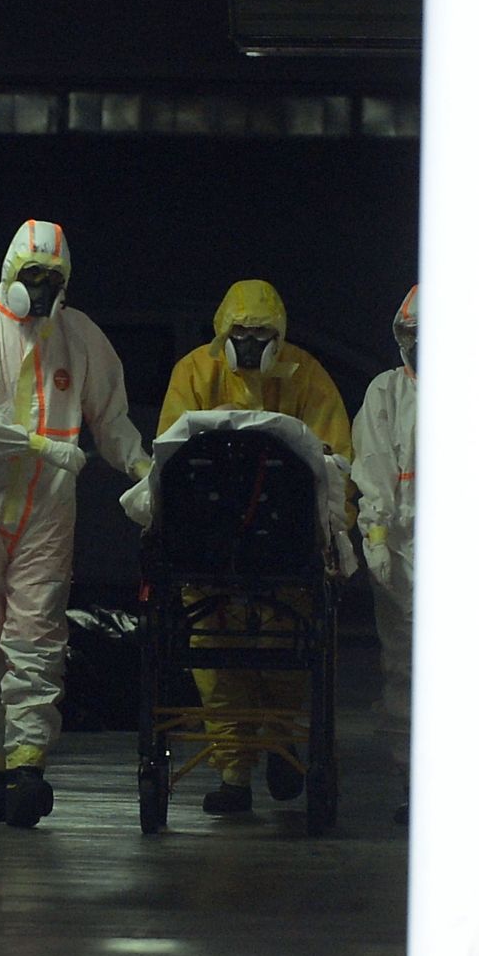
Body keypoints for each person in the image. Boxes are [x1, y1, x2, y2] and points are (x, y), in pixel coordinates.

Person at [0, 220, 151, 829]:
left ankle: (28, 767)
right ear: (10, 274)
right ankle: (1, 768)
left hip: (46, 511)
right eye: (34, 277)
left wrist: (140, 466)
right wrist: (36, 444)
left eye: (54, 279)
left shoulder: (77, 336)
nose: (44, 289)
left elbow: (110, 415)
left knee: (35, 636)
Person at [156, 278, 353, 815]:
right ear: (222, 331)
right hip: (208, 549)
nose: (248, 342)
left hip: (285, 551)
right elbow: (168, 460)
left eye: (260, 333)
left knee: (283, 656)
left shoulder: (306, 376)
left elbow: (337, 465)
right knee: (216, 665)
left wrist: (335, 534)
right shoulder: (194, 373)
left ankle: (281, 742)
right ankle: (233, 774)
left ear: (279, 335)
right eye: (239, 332)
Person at [351, 286, 418, 820]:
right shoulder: (387, 393)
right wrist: (375, 536)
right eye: (412, 336)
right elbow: (373, 467)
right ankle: (410, 777)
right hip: (402, 545)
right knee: (405, 662)